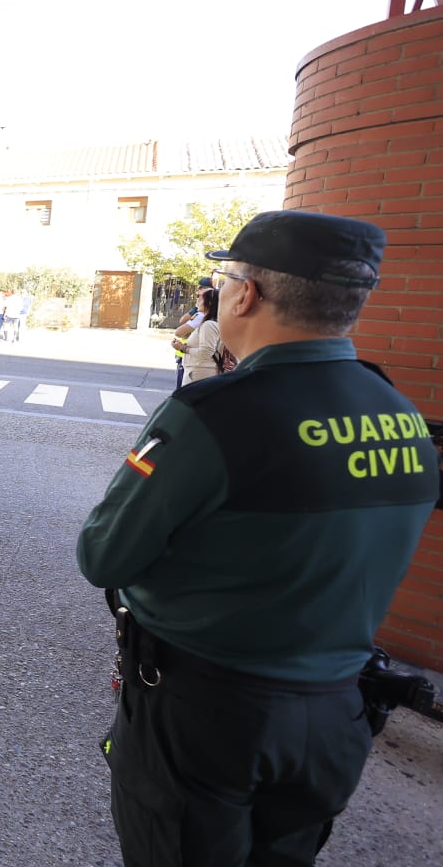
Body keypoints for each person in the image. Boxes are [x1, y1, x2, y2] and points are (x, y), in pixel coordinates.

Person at [77, 209, 438, 867]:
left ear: (245, 293)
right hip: (336, 717)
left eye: (225, 279)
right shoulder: (400, 412)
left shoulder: (215, 414)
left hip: (208, 713)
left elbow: (104, 555)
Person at [173, 287, 221, 384]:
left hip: (200, 373)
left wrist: (183, 348)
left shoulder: (208, 324)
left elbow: (206, 352)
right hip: (199, 372)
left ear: (209, 303)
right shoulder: (210, 321)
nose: (197, 300)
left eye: (201, 297)